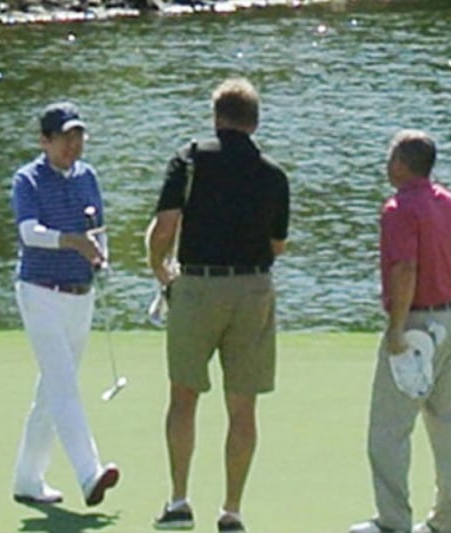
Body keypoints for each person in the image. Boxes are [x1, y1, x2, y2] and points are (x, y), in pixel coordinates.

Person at [145, 78, 290, 533]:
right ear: (254, 121)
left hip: (198, 286)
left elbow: (166, 226)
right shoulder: (273, 173)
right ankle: (231, 511)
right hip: (252, 290)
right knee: (242, 406)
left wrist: (159, 269)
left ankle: (179, 500)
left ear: (216, 117)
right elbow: (278, 244)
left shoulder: (189, 159)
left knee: (183, 396)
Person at [349, 130, 451, 533]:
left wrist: (396, 329)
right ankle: (445, 518)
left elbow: (404, 269)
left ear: (401, 162)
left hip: (417, 325)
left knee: (389, 429)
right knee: (445, 422)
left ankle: (393, 521)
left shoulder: (400, 208)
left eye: (390, 157)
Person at [9, 102, 120, 507]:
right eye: (64, 138)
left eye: (78, 136)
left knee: (52, 389)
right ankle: (89, 473)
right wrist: (71, 240)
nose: (73, 145)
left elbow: (97, 229)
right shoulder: (28, 179)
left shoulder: (88, 176)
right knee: (64, 385)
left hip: (80, 293)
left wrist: (100, 257)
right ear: (45, 141)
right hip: (39, 291)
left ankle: (27, 478)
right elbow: (29, 233)